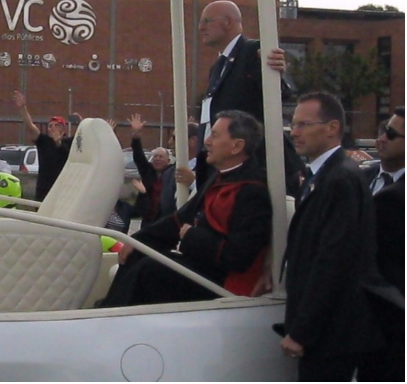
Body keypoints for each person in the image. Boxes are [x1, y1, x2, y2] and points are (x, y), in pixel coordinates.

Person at [98, 110, 271, 307]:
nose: (206, 142)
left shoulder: (252, 191)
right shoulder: (220, 177)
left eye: (215, 135)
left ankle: (114, 320)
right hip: (200, 263)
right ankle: (107, 310)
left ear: (237, 146)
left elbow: (238, 256)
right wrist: (137, 241)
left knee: (149, 270)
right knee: (136, 254)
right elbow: (178, 220)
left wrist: (191, 236)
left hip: (220, 279)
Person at [279, 92, 385, 381]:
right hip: (325, 329)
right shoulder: (321, 175)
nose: (295, 132)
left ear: (332, 127)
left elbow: (332, 260)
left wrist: (302, 331)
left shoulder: (340, 179)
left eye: (304, 124)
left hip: (332, 332)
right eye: (293, 124)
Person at [195, 0, 304, 197]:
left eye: (207, 21)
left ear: (228, 22)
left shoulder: (255, 52)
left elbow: (279, 92)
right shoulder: (217, 67)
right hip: (219, 166)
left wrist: (278, 72)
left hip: (251, 168)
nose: (201, 27)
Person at [357, 106, 404, 382]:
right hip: (358, 318)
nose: (382, 138)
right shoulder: (359, 177)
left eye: (392, 134)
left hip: (393, 319)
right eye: (383, 130)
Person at [12, 90, 74, 201]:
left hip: (63, 190)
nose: (53, 128)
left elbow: (85, 138)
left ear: (64, 129)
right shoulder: (43, 141)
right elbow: (30, 126)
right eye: (50, 126)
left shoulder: (70, 142)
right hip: (44, 189)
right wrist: (22, 108)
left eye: (57, 125)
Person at [128, 113, 175, 227]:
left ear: (168, 161)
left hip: (165, 220)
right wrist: (136, 135)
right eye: (155, 156)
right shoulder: (148, 171)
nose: (157, 159)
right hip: (148, 218)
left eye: (161, 157)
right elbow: (138, 155)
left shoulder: (172, 173)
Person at [169, 121, 200, 195]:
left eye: (174, 138)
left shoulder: (209, 171)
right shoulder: (168, 173)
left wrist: (193, 183)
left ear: (192, 140)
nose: (170, 142)